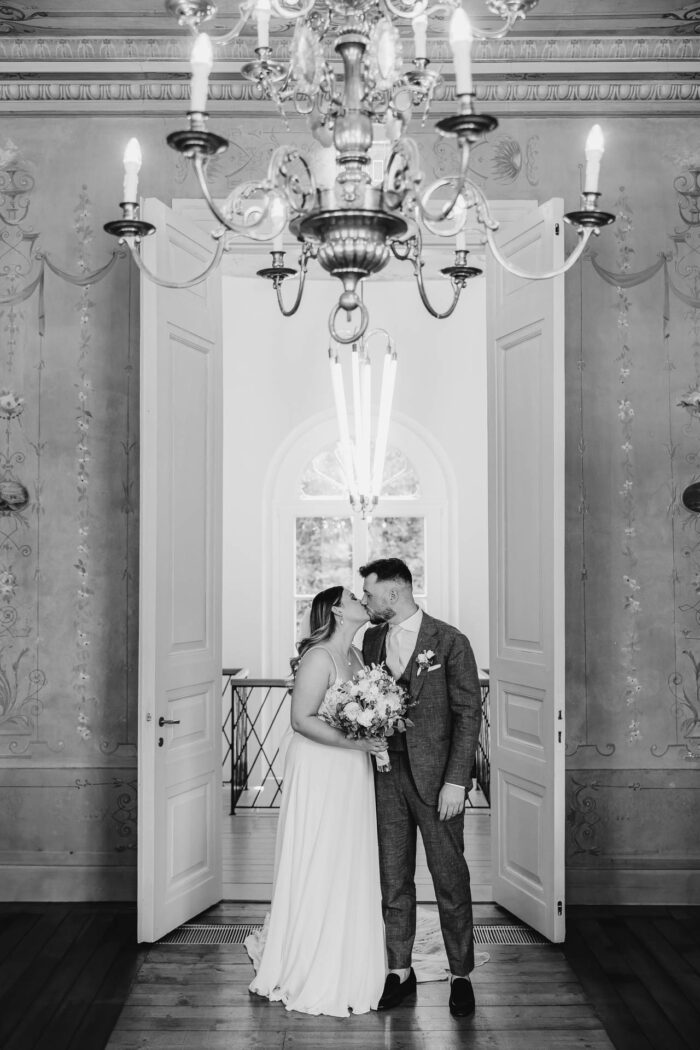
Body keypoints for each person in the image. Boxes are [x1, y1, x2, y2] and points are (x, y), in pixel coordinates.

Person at [245, 585, 387, 1017]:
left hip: (351, 768)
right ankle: (311, 959)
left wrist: (372, 736)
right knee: (320, 851)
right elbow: (301, 720)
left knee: (348, 856)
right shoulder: (318, 657)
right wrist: (356, 741)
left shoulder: (359, 657)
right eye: (354, 597)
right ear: (338, 612)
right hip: (321, 767)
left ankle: (348, 947)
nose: (363, 600)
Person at [360, 557, 482, 1018]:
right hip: (387, 775)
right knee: (394, 877)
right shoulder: (371, 639)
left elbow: (469, 715)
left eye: (369, 593)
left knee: (450, 878)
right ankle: (400, 970)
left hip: (438, 783)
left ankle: (460, 975)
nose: (367, 601)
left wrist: (456, 781)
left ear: (393, 592)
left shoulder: (450, 641)